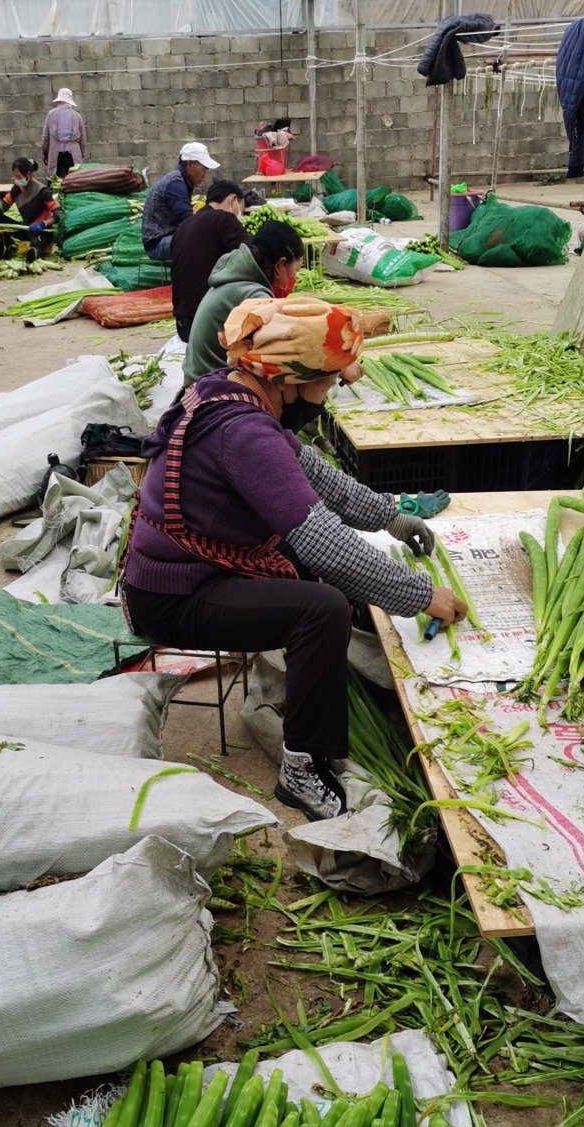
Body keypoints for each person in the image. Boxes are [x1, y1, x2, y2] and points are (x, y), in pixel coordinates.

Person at [121, 296, 466, 822]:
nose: (327, 396)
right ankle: (302, 769)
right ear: (291, 379)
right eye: (327, 383)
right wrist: (422, 596)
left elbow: (316, 477)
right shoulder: (245, 431)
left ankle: (326, 691)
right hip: (171, 596)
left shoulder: (232, 392)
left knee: (322, 579)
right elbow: (321, 537)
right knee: (320, 606)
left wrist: (390, 516)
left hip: (196, 571)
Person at [184, 220, 303, 386]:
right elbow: (277, 352)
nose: (294, 279)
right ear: (280, 265)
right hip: (208, 389)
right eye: (296, 270)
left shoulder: (235, 276)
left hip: (196, 379)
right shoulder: (255, 294)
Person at [170, 179, 247, 343]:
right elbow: (252, 260)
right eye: (242, 208)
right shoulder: (225, 220)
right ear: (232, 201)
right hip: (206, 328)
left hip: (183, 326)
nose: (241, 214)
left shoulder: (184, 226)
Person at [141, 142, 221, 263]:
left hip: (168, 237)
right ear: (189, 164)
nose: (205, 174)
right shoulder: (175, 184)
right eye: (204, 168)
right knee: (204, 241)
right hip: (158, 243)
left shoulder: (181, 180)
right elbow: (188, 220)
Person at [0, 157, 60, 259]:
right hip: (26, 229)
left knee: (34, 248)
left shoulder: (42, 191)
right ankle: (9, 245)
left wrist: (43, 224)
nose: (17, 180)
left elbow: (59, 213)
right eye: (15, 177)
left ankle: (34, 250)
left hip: (41, 231)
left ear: (28, 174)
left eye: (19, 177)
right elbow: (5, 203)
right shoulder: (17, 189)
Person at [41, 86, 88, 179]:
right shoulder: (77, 116)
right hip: (73, 155)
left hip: (56, 154)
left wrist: (45, 152)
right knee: (74, 181)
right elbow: (83, 139)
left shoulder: (51, 114)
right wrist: (81, 154)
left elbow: (45, 137)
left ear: (59, 100)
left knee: (56, 182)